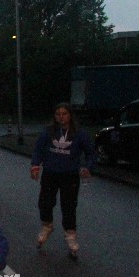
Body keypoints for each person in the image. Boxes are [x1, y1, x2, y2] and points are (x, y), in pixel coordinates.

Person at [30, 103, 96, 258]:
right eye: (58, 114)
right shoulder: (48, 132)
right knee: (45, 202)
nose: (61, 117)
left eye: (64, 114)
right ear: (54, 116)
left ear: (70, 115)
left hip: (69, 175)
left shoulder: (79, 134)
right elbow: (38, 150)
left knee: (69, 206)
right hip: (50, 173)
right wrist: (35, 165)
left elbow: (91, 153)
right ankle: (47, 225)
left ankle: (70, 236)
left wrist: (88, 167)